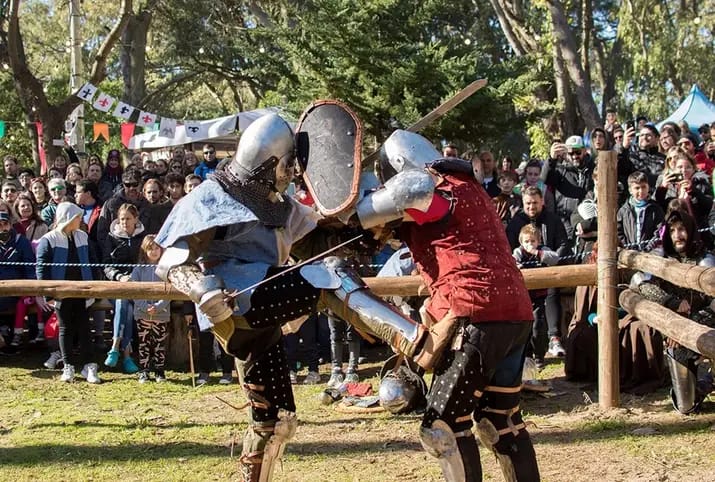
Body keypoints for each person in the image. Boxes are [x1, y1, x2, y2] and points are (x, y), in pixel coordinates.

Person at [154, 114, 453, 480]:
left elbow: (319, 244)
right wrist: (201, 288)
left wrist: (369, 229)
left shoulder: (280, 205)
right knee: (326, 276)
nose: (293, 172)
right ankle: (416, 342)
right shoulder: (210, 196)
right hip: (237, 304)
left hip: (260, 319)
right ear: (267, 163)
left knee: (276, 421)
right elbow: (169, 261)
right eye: (287, 164)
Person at [357, 129, 539, 480]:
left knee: (443, 427)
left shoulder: (424, 190)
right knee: (500, 421)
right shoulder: (470, 189)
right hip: (515, 313)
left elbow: (359, 217)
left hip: (475, 314)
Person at [630, 210, 715, 413]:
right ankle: (706, 382)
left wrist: (685, 328)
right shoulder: (662, 258)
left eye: (682, 229)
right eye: (673, 230)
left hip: (706, 324)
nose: (678, 235)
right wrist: (671, 302)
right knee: (686, 407)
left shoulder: (705, 259)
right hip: (674, 331)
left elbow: (712, 302)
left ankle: (709, 377)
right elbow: (640, 282)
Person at [36, 202, 101, 383]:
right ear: (69, 218)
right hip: (61, 294)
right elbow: (42, 268)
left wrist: (96, 288)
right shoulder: (48, 239)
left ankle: (89, 366)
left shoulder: (83, 236)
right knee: (65, 328)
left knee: (84, 328)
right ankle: (68, 366)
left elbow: (93, 262)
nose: (81, 220)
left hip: (83, 291)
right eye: (77, 217)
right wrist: (48, 294)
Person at [507, 185, 571, 359]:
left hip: (548, 269)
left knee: (552, 291)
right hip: (522, 274)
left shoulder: (553, 220)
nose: (531, 207)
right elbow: (509, 247)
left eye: (535, 203)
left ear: (542, 201)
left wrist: (552, 259)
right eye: (528, 203)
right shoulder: (516, 222)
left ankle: (554, 337)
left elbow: (564, 245)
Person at [102, 203, 145, 373]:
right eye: (121, 219)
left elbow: (146, 262)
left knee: (125, 305)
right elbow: (106, 264)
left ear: (136, 219)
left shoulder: (143, 238)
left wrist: (134, 278)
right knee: (122, 302)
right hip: (117, 284)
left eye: (128, 218)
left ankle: (116, 346)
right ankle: (126, 355)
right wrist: (118, 277)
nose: (124, 222)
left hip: (138, 284)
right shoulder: (111, 237)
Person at [512, 224, 559, 370]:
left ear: (538, 241)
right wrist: (517, 267)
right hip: (524, 297)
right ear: (521, 242)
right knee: (525, 327)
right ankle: (526, 355)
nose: (529, 244)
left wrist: (538, 253)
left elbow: (555, 258)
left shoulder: (543, 251)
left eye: (533, 241)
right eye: (526, 241)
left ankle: (539, 356)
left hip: (539, 297)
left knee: (538, 326)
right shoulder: (518, 252)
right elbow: (513, 261)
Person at [0, 210, 44, 349]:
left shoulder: (21, 241)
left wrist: (33, 290)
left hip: (16, 291)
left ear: (10, 224)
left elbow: (30, 269)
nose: (2, 228)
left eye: (5, 224)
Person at [131, 235, 171, 383]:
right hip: (142, 313)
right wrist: (145, 307)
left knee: (159, 343)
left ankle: (159, 370)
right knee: (144, 342)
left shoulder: (166, 269)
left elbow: (169, 291)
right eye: (150, 248)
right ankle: (144, 370)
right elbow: (134, 291)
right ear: (144, 250)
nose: (154, 251)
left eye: (157, 248)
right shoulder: (139, 269)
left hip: (161, 313)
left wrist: (159, 306)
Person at [542, 135, 596, 239]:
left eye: (578, 152)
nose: (575, 156)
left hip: (587, 221)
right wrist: (551, 159)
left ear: (584, 151)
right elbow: (544, 179)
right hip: (565, 224)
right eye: (571, 153)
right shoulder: (560, 170)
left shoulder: (593, 168)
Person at [617, 171, 664, 250]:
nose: (641, 191)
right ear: (630, 190)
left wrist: (649, 247)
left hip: (651, 251)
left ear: (648, 187)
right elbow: (618, 231)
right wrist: (627, 246)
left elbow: (659, 230)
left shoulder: (655, 209)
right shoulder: (624, 211)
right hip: (629, 250)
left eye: (643, 187)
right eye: (637, 188)